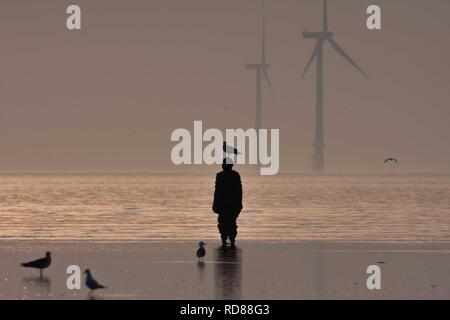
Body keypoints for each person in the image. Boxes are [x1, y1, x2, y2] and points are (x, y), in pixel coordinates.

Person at [213, 158, 243, 250]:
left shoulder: (230, 175)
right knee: (225, 223)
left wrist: (239, 204)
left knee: (227, 223)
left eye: (224, 164)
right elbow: (217, 191)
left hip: (229, 204)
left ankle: (230, 240)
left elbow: (239, 191)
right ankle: (226, 240)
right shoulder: (223, 175)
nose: (223, 166)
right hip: (227, 204)